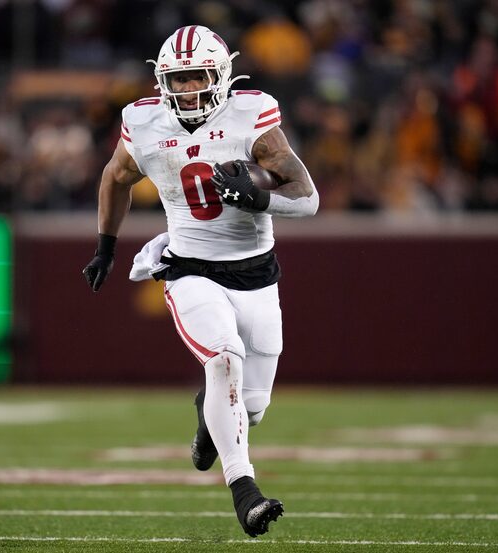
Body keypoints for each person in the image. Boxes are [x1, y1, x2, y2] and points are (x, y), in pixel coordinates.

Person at [82, 25, 319, 537]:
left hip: (256, 272)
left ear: (222, 75)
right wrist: (106, 245)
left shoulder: (251, 116)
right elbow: (115, 177)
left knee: (252, 408)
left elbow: (308, 197)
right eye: (180, 79)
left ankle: (206, 420)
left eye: (197, 77)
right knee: (224, 359)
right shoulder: (143, 121)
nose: (188, 89)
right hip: (190, 266)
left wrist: (260, 197)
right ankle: (245, 492)